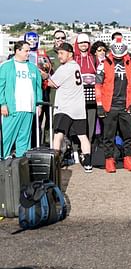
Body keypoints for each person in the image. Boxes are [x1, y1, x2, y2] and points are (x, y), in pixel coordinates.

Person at [46, 42, 92, 172]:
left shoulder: (65, 68)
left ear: (70, 54)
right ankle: (88, 163)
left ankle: (55, 162)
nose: (59, 56)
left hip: (65, 107)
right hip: (78, 108)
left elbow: (51, 83)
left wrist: (44, 73)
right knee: (82, 135)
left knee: (58, 134)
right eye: (58, 53)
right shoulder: (76, 66)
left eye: (62, 53)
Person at [95, 40, 131, 173]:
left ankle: (127, 159)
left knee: (128, 134)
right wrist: (100, 105)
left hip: (126, 105)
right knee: (108, 135)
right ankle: (109, 160)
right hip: (109, 105)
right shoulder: (103, 65)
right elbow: (98, 85)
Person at [0, 41, 43, 158]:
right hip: (12, 109)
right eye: (26, 51)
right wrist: (2, 104)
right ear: (17, 51)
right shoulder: (6, 66)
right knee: (6, 138)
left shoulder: (33, 68)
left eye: (29, 51)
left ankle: (20, 166)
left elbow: (38, 88)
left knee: (24, 139)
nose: (28, 53)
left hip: (28, 108)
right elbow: (1, 86)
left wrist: (39, 105)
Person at [75, 32, 98, 142]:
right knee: (78, 120)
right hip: (77, 95)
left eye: (86, 42)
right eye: (81, 42)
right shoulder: (74, 59)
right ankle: (76, 146)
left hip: (92, 96)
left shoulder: (94, 58)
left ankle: (89, 143)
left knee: (91, 121)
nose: (83, 44)